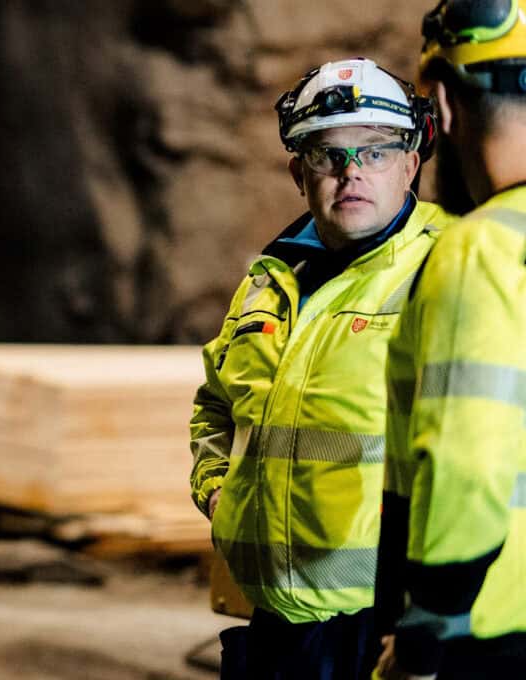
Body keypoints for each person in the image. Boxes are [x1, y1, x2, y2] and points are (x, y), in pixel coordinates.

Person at [188, 57, 454, 678]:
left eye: (376, 152)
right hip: (275, 619)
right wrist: (216, 489)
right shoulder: (269, 281)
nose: (350, 173)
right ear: (297, 173)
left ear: (411, 164)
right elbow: (216, 403)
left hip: (383, 622)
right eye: (326, 155)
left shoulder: (445, 268)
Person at [374, 1, 526, 677]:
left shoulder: (482, 250)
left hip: (491, 627)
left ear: (440, 103)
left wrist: (426, 636)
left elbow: (468, 465)